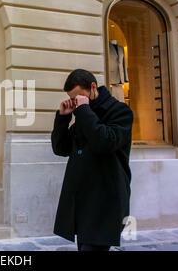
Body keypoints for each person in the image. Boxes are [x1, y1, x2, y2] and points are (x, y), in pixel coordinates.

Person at [51, 69, 134, 251]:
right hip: (83, 199)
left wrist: (83, 110)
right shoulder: (84, 115)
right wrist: (63, 119)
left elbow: (105, 142)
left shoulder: (120, 111)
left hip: (106, 200)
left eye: (79, 96)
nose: (77, 102)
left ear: (93, 87)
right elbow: (61, 149)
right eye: (73, 98)